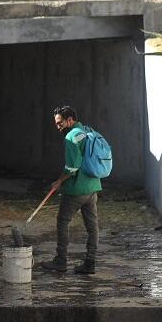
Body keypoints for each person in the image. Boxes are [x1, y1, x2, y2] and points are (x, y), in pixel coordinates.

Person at [41, 105, 101, 275]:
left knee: (62, 221)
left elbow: (72, 167)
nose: (57, 126)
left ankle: (61, 261)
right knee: (92, 227)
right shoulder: (87, 131)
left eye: (60, 123)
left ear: (70, 120)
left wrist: (58, 181)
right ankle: (90, 263)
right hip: (92, 186)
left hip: (76, 189)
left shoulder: (71, 136)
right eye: (56, 123)